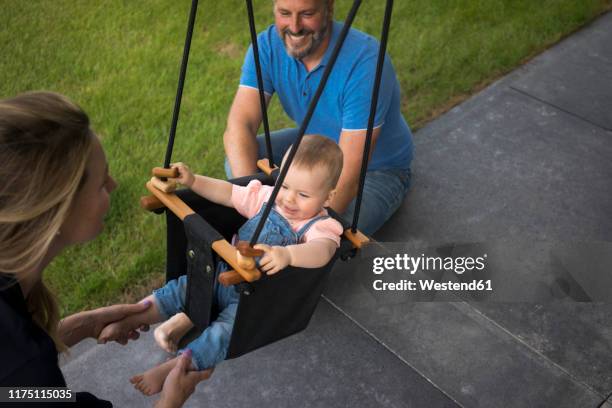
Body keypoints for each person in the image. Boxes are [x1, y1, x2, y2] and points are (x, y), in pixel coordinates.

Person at [97, 134, 344, 396]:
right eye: (284, 185)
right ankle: (136, 316)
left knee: (222, 334)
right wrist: (193, 181)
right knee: (181, 288)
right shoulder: (265, 197)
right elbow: (227, 193)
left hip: (253, 301)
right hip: (220, 273)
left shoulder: (318, 226)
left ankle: (177, 366)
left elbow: (323, 250)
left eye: (303, 194)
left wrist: (290, 255)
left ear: (328, 198)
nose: (289, 199)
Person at [0, 91, 204, 407]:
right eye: (100, 183)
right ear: (55, 212)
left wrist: (75, 328)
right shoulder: (28, 372)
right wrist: (171, 401)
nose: (113, 185)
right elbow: (20, 388)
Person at [223, 0, 413, 236]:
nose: (294, 26)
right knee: (238, 157)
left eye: (307, 14)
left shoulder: (366, 63)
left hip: (376, 171)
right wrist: (251, 197)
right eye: (284, 13)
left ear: (328, 9)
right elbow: (240, 125)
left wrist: (291, 231)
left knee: (327, 234)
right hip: (316, 144)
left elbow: (349, 176)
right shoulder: (267, 46)